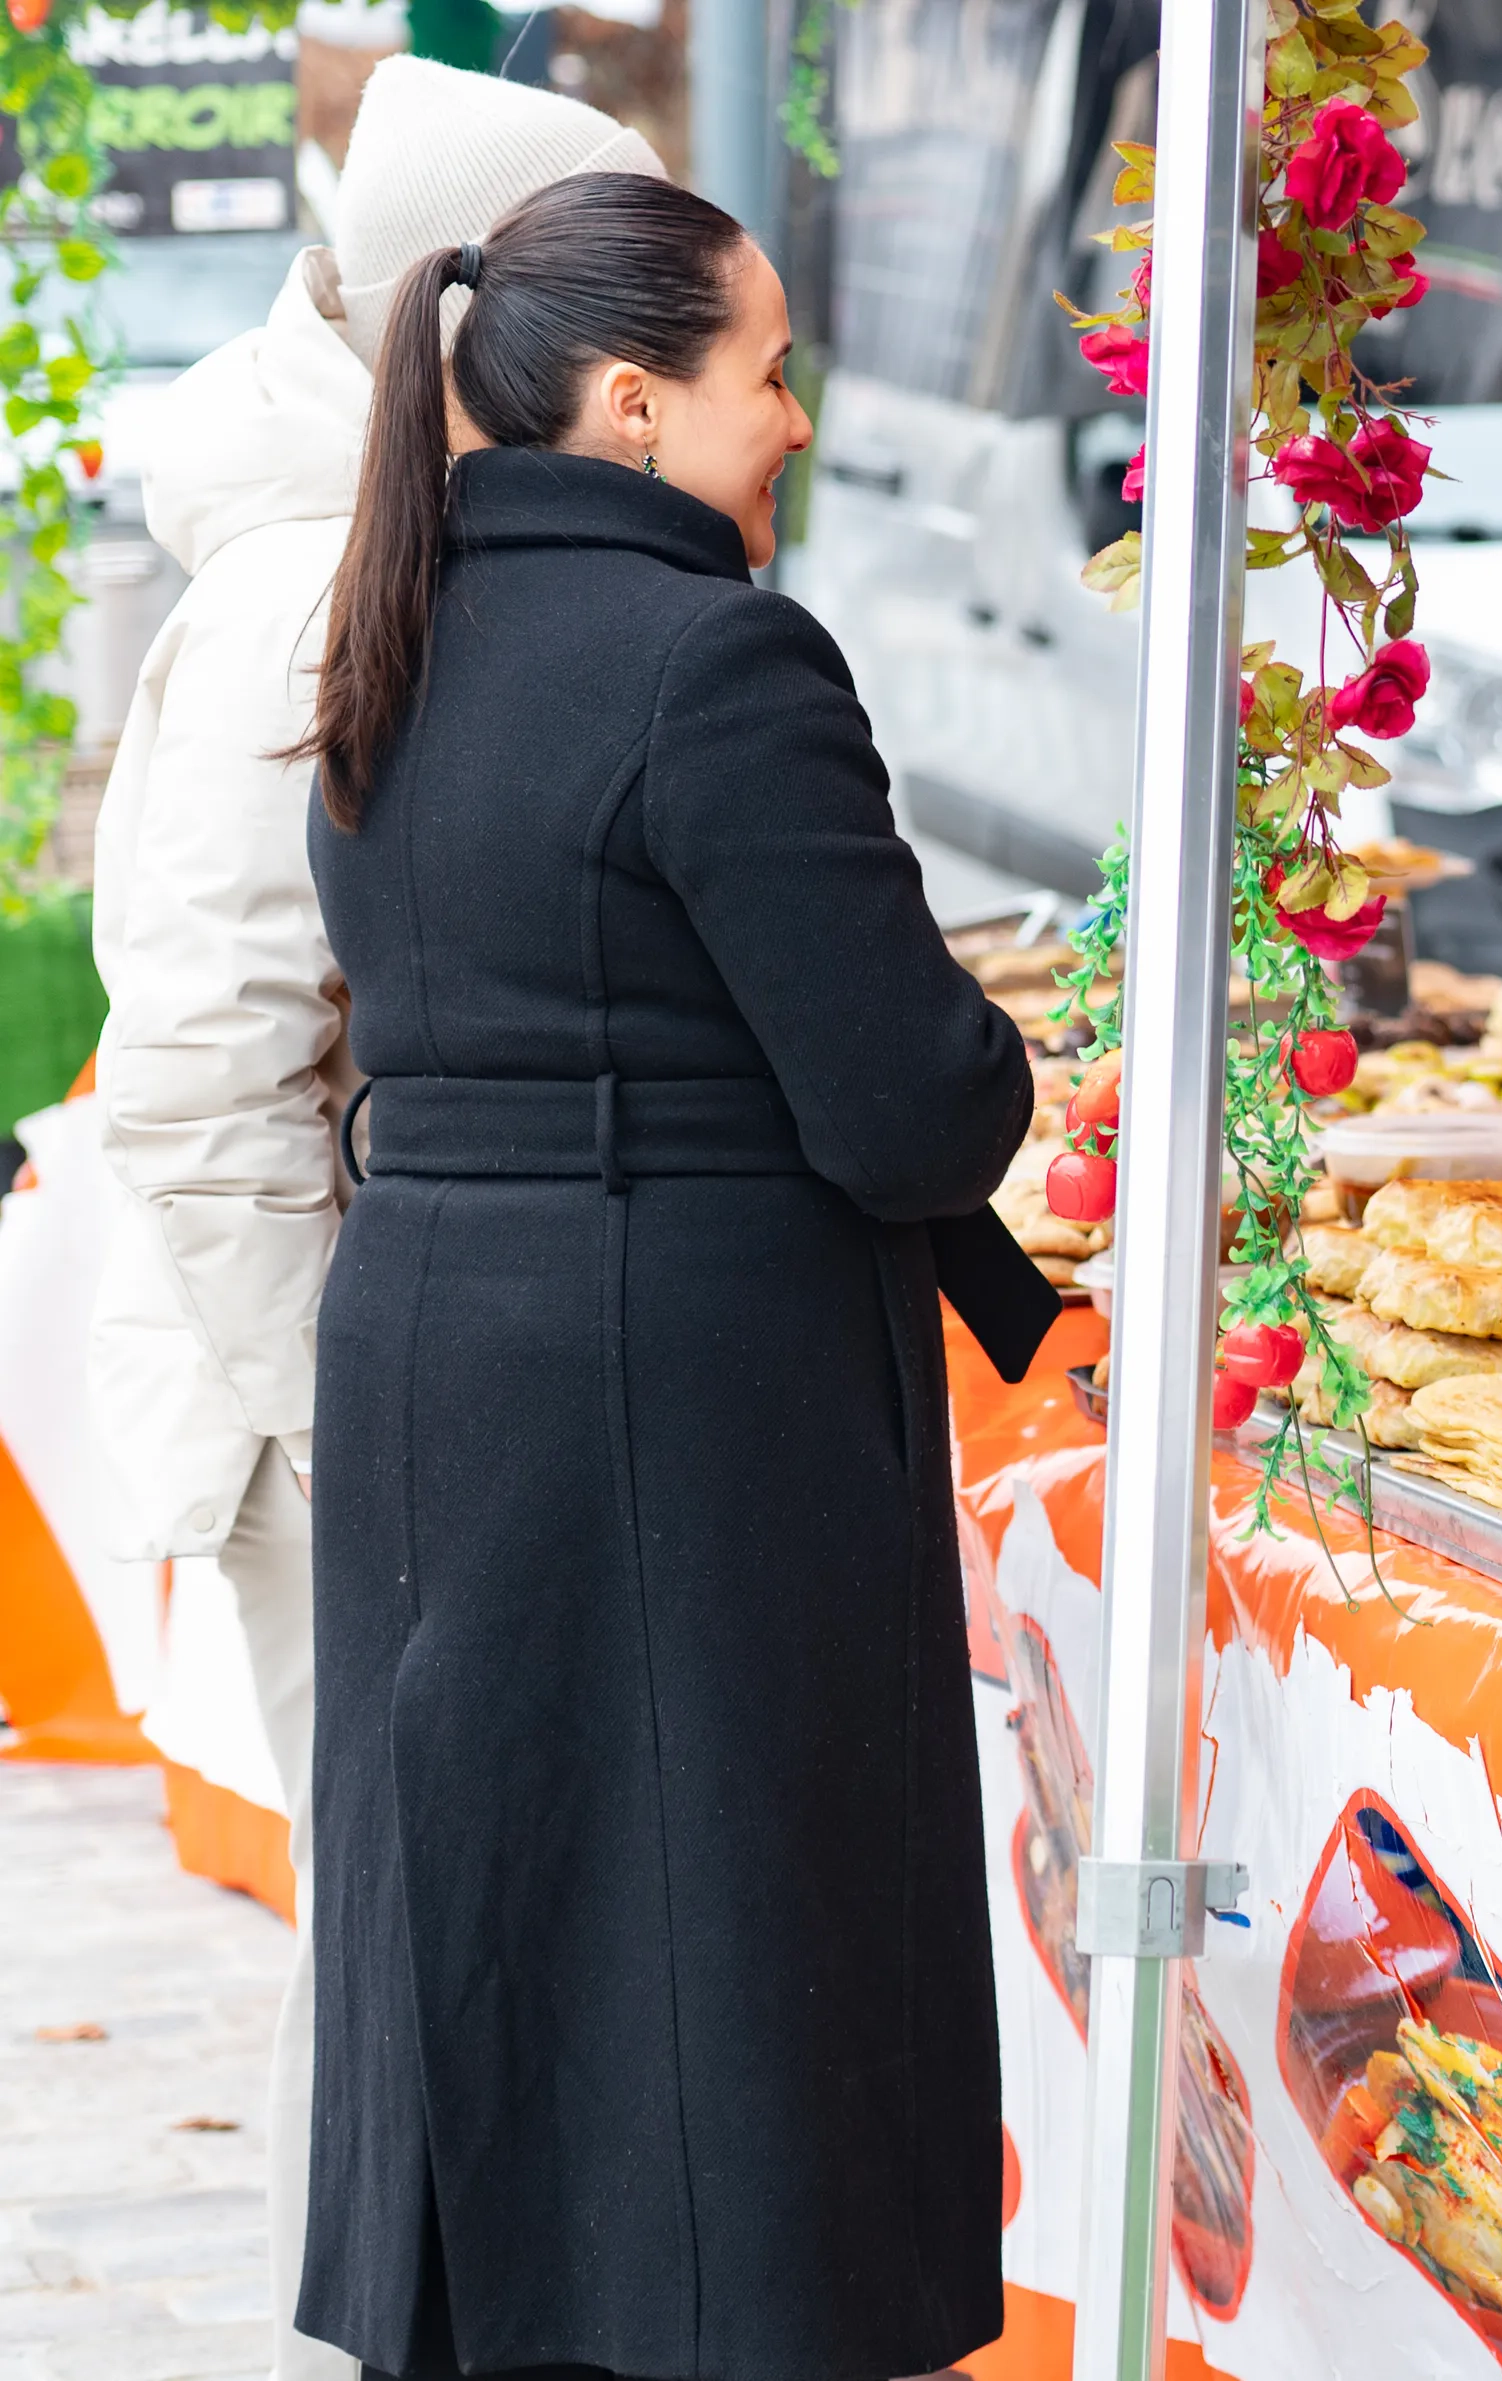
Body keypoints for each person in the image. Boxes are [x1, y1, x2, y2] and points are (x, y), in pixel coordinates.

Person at [295, 174, 1040, 2381]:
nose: (795, 419)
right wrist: (1004, 1054)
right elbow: (910, 1100)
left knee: (498, 1909)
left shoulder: (390, 633)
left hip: (435, 1339)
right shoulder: (718, 653)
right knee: (717, 1959)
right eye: (767, 368)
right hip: (678, 1375)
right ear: (635, 403)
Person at [81, 61, 662, 2381]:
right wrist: (349, 1398)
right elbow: (204, 1082)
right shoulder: (304, 590)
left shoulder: (394, 536)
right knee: (398, 1960)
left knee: (431, 1939)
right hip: (333, 1386)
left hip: (390, 1367)